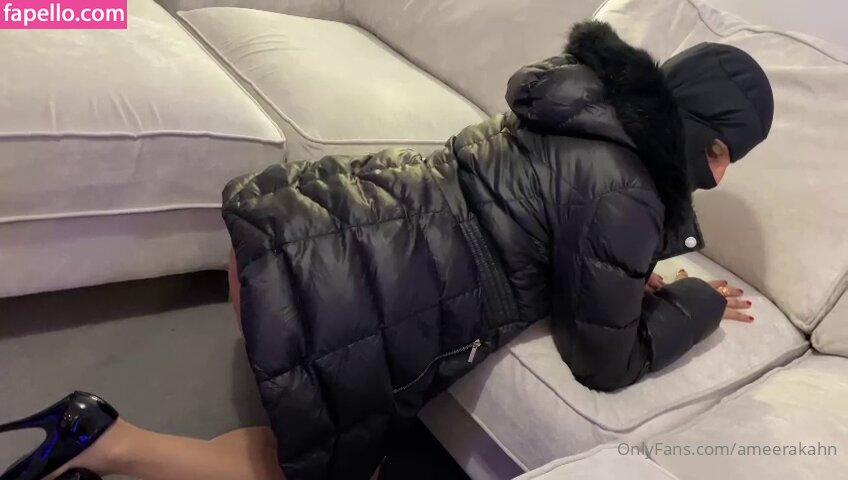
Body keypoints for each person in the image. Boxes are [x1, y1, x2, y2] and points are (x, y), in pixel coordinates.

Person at [1, 21, 774, 480]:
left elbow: (552, 227)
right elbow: (604, 361)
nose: (722, 174)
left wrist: (634, 278)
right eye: (725, 153)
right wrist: (696, 304)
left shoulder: (575, 106)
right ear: (703, 134)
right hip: (329, 297)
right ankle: (105, 442)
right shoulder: (628, 192)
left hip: (296, 226)